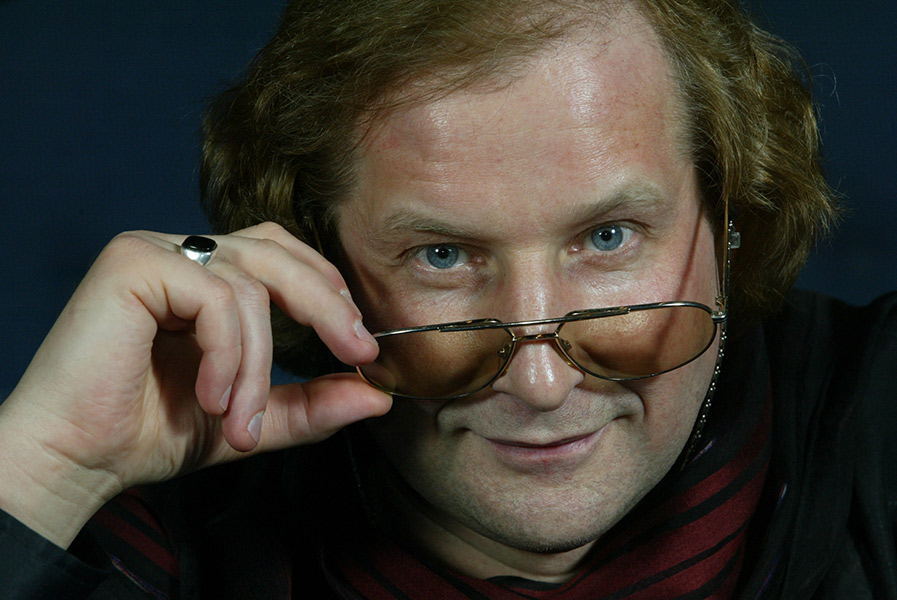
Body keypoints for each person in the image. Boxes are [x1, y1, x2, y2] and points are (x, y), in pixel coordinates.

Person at [1, 0, 894, 598]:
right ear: (314, 257)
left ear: (729, 217)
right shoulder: (165, 537)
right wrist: (43, 471)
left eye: (608, 238)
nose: (540, 384)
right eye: (442, 255)